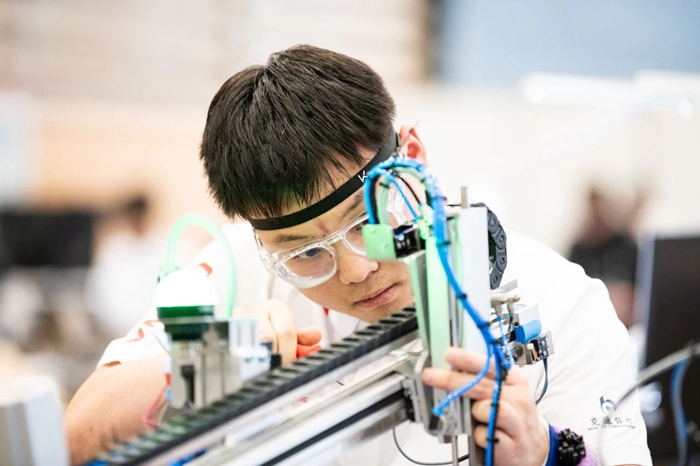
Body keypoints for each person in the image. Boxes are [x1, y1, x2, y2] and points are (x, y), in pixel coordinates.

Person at [64, 45, 651, 466]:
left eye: (368, 220)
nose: (357, 269)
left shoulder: (562, 301)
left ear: (413, 156)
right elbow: (75, 438)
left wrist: (545, 454)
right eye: (304, 254)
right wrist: (210, 366)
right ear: (259, 239)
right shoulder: (235, 271)